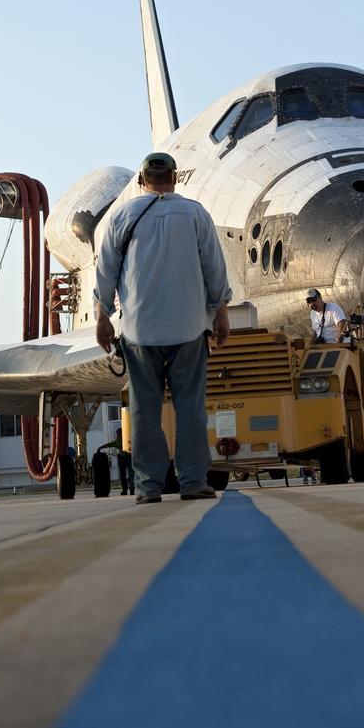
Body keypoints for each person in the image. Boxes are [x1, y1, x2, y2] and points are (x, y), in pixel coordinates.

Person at [95, 152, 231, 505]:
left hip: (139, 329)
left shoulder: (122, 216)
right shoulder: (196, 214)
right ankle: (192, 481)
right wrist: (221, 311)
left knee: (144, 410)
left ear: (141, 179)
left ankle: (148, 487)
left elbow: (105, 271)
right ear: (175, 177)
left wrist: (102, 318)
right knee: (190, 409)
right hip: (188, 326)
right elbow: (213, 267)